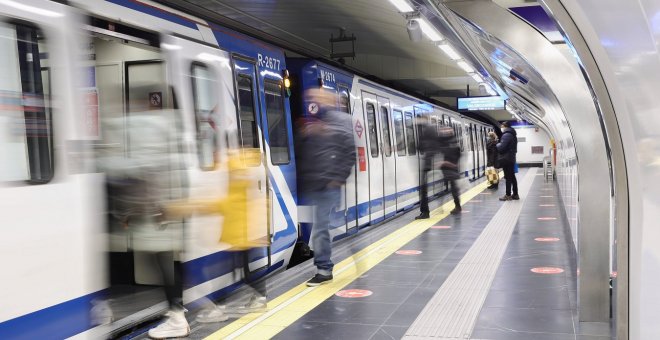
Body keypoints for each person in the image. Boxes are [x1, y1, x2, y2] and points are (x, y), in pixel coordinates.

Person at [297, 88, 356, 287]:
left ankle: (324, 269)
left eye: (318, 97)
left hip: (328, 184)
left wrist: (337, 179)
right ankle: (330, 263)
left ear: (330, 99)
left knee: (321, 228)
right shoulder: (314, 122)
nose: (313, 100)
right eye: (311, 97)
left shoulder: (341, 121)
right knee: (321, 227)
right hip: (315, 184)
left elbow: (349, 153)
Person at [415, 120, 440, 219]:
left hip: (427, 164)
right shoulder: (434, 136)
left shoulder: (425, 135)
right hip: (431, 164)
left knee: (423, 189)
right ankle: (425, 211)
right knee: (424, 189)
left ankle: (425, 212)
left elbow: (419, 147)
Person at [438, 126, 462, 214]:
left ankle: (457, 206)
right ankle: (456, 206)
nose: (443, 131)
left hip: (451, 167)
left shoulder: (452, 142)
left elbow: (452, 154)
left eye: (445, 130)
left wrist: (445, 163)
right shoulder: (450, 141)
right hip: (450, 167)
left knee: (453, 188)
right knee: (452, 187)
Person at [497, 121, 519, 201]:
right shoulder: (512, 134)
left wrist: (497, 144)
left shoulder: (506, 135)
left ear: (505, 126)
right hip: (511, 158)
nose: (501, 128)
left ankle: (508, 195)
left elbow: (501, 147)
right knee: (512, 176)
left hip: (506, 159)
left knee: (508, 177)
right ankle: (515, 194)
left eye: (502, 126)